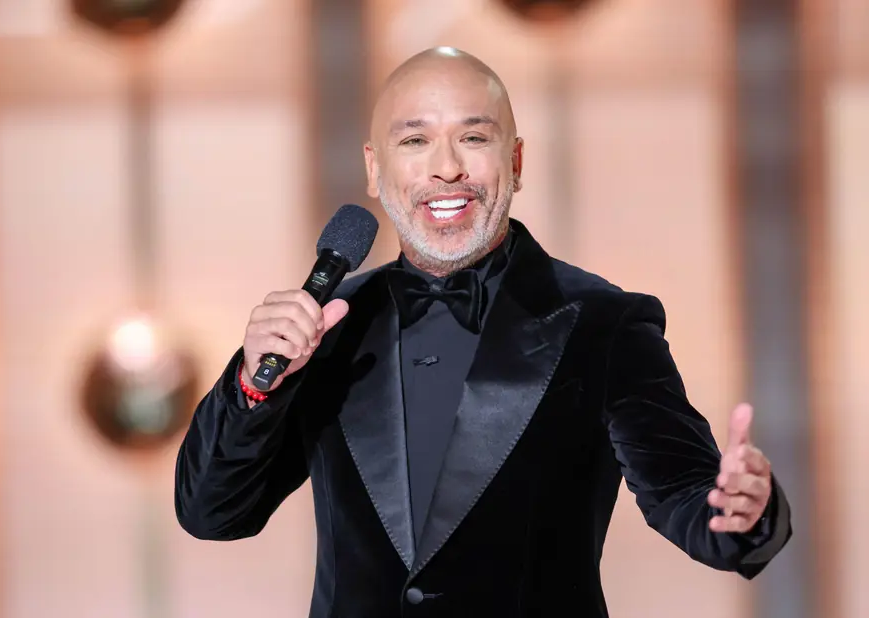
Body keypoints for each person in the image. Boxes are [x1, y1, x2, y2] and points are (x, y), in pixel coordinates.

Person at [173, 46, 791, 617]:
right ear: (374, 168)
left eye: (473, 137)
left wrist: (742, 514)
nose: (446, 169)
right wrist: (252, 390)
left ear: (516, 161)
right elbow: (212, 513)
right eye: (414, 139)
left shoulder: (605, 322)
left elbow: (685, 494)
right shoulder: (325, 324)